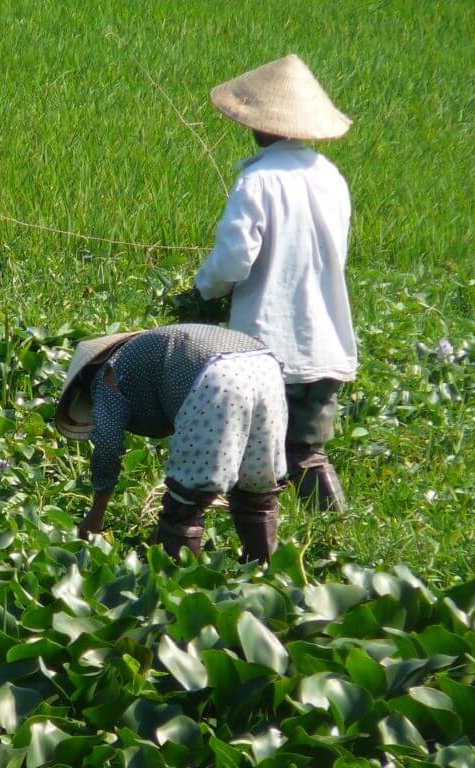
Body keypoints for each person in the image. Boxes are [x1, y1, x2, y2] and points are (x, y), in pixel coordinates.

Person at [193, 54, 356, 512]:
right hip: (324, 342)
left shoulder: (257, 181)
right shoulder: (331, 178)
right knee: (306, 450)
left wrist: (202, 290)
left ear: (263, 126)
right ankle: (324, 535)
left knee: (260, 456)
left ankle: (287, 538)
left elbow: (233, 262)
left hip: (266, 346)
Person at [55, 324, 288, 563]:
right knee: (257, 489)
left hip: (218, 377)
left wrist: (96, 513)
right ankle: (265, 573)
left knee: (185, 501)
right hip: (265, 365)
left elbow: (107, 443)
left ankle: (178, 582)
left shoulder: (107, 373)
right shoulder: (148, 347)